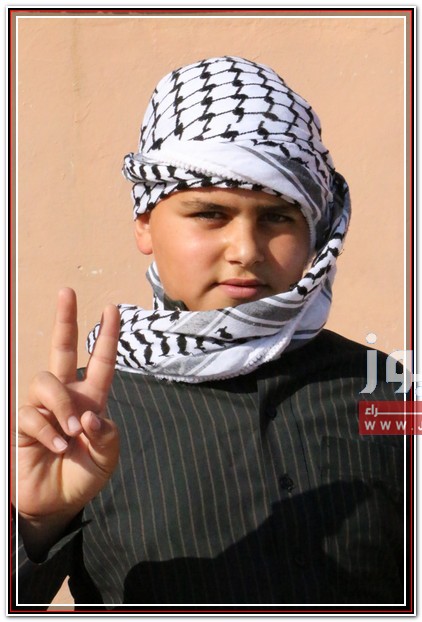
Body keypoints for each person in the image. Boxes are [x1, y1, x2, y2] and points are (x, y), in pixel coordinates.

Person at [14, 56, 405, 608]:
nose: (245, 250)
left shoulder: (387, 387)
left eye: (277, 217)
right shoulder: (82, 421)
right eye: (210, 214)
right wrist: (34, 523)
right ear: (145, 226)